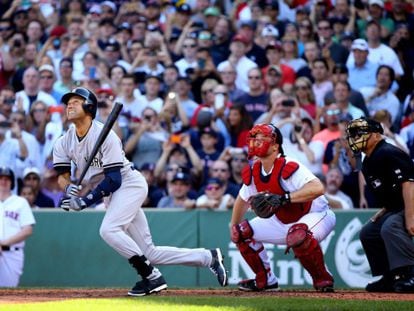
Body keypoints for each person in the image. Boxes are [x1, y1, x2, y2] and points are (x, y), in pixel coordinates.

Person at [53, 87, 227, 296]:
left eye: (76, 101)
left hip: (128, 184)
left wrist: (85, 200)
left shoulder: (106, 136)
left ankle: (151, 276)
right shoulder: (64, 141)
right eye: (68, 102)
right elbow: (62, 175)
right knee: (149, 252)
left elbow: (114, 179)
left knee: (109, 230)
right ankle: (208, 257)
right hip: (108, 192)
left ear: (90, 107)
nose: (69, 104)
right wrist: (68, 189)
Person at [230, 123, 336, 292]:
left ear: (275, 146)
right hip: (283, 220)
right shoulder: (254, 170)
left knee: (298, 235)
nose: (256, 143)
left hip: (316, 213)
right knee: (240, 232)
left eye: (261, 139)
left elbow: (317, 188)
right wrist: (233, 225)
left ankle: (322, 279)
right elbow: (242, 199)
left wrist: (285, 198)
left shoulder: (288, 165)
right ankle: (265, 280)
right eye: (254, 139)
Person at [346, 117, 414, 293]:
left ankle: (410, 274)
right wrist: (384, 210)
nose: (355, 138)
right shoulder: (368, 160)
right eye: (353, 134)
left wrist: (410, 217)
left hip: (411, 203)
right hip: (398, 206)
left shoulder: (389, 152)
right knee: (369, 232)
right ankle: (390, 276)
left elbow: (409, 183)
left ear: (376, 135)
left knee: (390, 226)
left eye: (360, 133)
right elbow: (394, 190)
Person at [0, 167, 36, 287]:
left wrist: (3, 243)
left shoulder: (20, 202)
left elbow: (28, 230)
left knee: (8, 293)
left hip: (12, 254)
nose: (3, 181)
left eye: (7, 179)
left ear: (12, 182)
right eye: (1, 178)